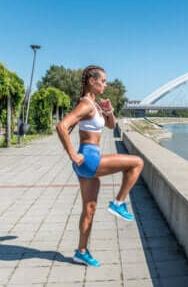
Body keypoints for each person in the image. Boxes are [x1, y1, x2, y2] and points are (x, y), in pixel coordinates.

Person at [56, 65, 144, 267]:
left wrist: (109, 110)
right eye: (102, 81)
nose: (105, 84)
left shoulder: (94, 105)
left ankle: (81, 251)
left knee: (89, 209)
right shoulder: (86, 105)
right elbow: (62, 126)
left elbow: (111, 125)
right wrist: (72, 154)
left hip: (87, 161)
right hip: (89, 158)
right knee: (137, 163)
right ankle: (119, 202)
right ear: (91, 81)